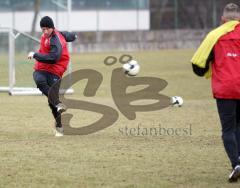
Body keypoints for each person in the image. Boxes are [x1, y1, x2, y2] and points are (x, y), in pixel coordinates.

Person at [191, 3, 240, 182]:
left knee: (228, 129)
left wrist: (209, 68)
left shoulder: (214, 36)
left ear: (223, 19)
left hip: (225, 89)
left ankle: (236, 164)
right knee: (239, 126)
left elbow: (197, 65)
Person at [28, 16, 77, 137]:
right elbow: (67, 35)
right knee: (39, 80)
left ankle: (59, 127)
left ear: (52, 28)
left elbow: (53, 58)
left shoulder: (55, 40)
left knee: (52, 102)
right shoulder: (54, 34)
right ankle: (57, 103)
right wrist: (74, 36)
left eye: (46, 29)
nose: (44, 32)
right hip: (43, 68)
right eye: (42, 29)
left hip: (55, 70)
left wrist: (35, 54)